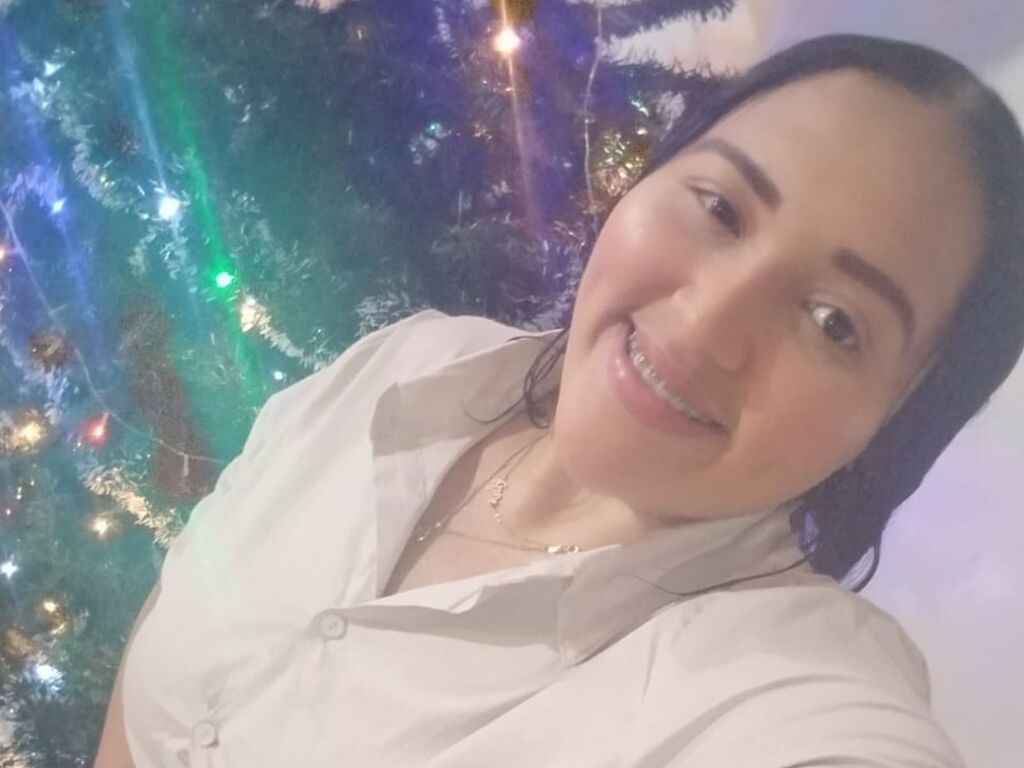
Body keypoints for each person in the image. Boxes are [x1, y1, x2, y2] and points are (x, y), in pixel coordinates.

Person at [94, 33, 1024, 768]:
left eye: (834, 322)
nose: (706, 325)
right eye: (721, 207)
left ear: (897, 413)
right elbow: (172, 654)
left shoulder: (784, 693)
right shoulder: (410, 363)